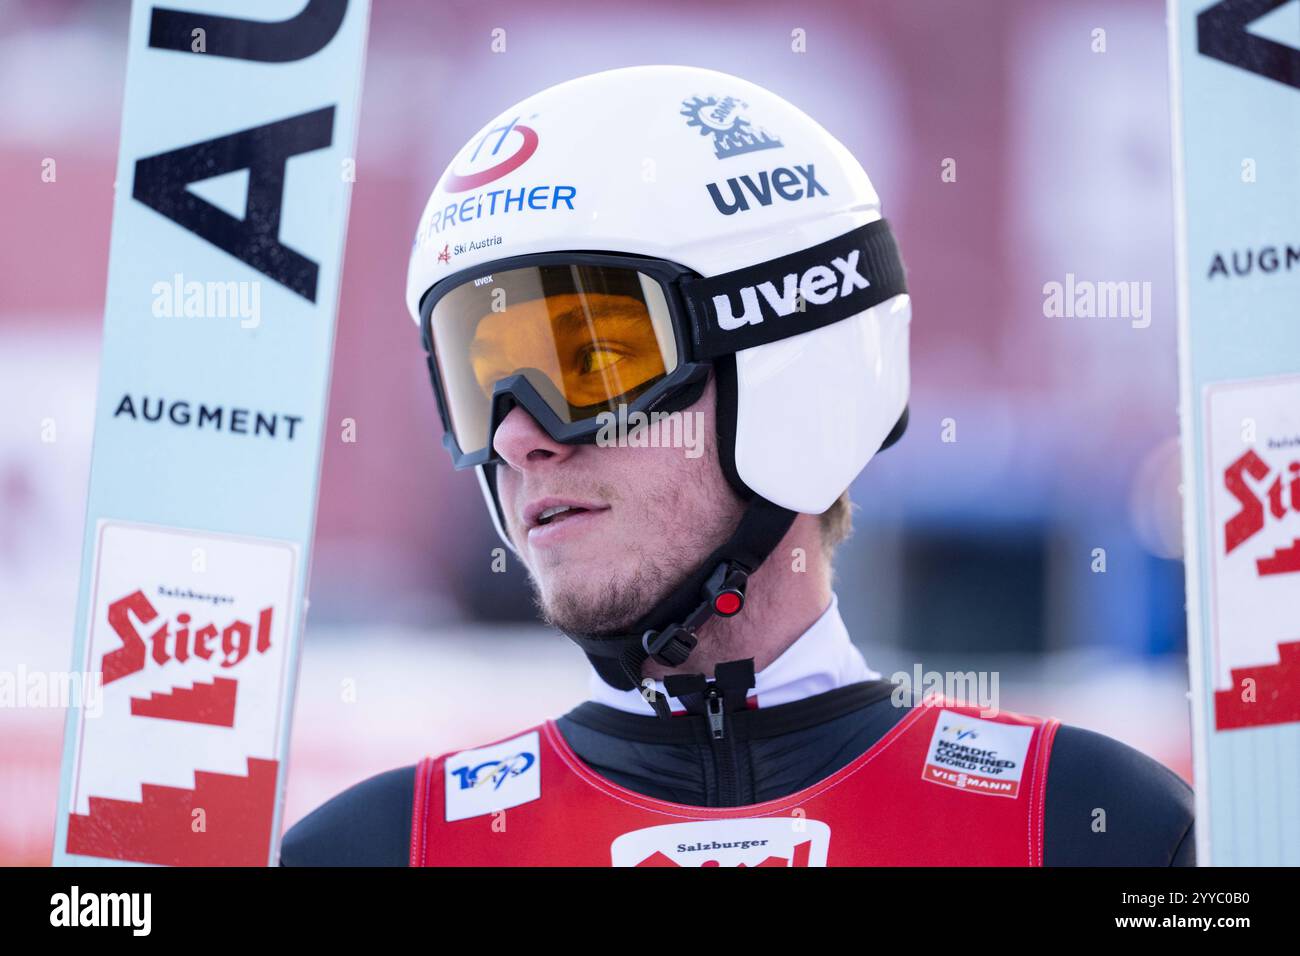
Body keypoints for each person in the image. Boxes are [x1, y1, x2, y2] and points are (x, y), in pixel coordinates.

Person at [281, 65, 1194, 867]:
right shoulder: (378, 850)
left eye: (590, 362)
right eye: (482, 383)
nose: (522, 436)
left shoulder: (1089, 827)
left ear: (794, 367)